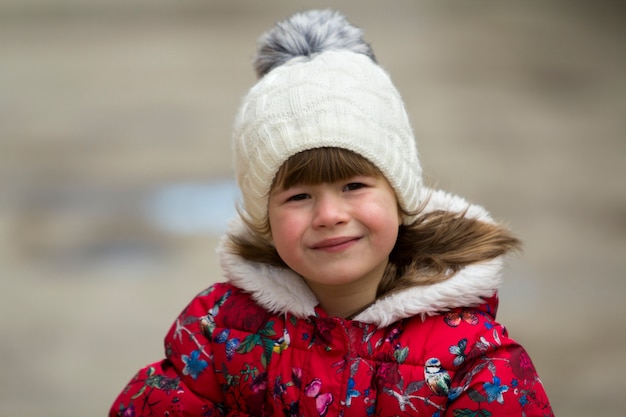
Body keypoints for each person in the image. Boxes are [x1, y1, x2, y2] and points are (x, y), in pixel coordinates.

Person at [109, 9, 553, 417]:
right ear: (264, 216)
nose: (329, 214)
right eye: (298, 196)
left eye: (354, 186)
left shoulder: (473, 360)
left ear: (401, 197)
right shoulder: (219, 329)